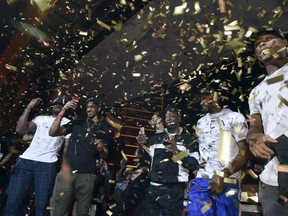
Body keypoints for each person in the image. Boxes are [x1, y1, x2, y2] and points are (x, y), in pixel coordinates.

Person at [246, 27, 288, 214]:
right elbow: (254, 126)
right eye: (257, 44)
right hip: (272, 180)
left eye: (269, 38)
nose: (262, 43)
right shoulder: (256, 92)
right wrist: (254, 139)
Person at [187, 87, 249, 216]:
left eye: (204, 98)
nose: (201, 102)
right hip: (202, 179)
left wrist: (224, 173)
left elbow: (244, 152)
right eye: (200, 99)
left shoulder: (235, 118)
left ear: (216, 96)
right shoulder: (201, 122)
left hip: (228, 179)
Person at [4, 97, 69, 216]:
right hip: (25, 161)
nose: (58, 106)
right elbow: (20, 130)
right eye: (56, 104)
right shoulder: (41, 118)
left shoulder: (67, 123)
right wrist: (28, 108)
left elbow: (66, 149)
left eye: (61, 105)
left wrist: (63, 170)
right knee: (13, 199)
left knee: (42, 204)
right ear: (51, 106)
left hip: (47, 165)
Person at [49, 97, 112, 216]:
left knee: (82, 211)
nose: (88, 109)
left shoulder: (104, 129)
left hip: (87, 175)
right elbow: (53, 132)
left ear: (98, 109)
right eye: (87, 106)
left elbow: (105, 156)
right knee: (59, 209)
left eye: (92, 107)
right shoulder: (78, 122)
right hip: (67, 172)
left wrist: (101, 149)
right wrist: (63, 111)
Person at [137, 105, 199, 216]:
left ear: (179, 118)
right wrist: (141, 147)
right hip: (153, 189)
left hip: (174, 191)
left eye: (172, 116)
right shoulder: (155, 139)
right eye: (166, 117)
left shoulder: (189, 140)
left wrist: (176, 151)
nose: (168, 118)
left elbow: (194, 164)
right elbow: (145, 161)